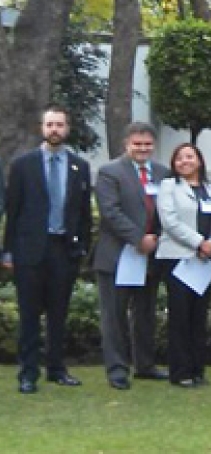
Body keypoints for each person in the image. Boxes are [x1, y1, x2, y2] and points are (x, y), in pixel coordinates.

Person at [2, 106, 92, 394]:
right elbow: (12, 212)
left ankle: (56, 368)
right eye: (50, 124)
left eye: (60, 125)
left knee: (58, 313)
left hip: (63, 249)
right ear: (42, 128)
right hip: (30, 250)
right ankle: (28, 374)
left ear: (67, 128)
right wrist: (7, 252)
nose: (55, 129)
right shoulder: (23, 165)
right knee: (29, 314)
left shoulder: (80, 166)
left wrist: (82, 247)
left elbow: (83, 213)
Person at [92, 121, 169, 390]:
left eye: (147, 144)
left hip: (150, 257)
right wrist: (138, 239)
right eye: (137, 144)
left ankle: (145, 365)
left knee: (145, 313)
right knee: (114, 316)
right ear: (127, 144)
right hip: (118, 255)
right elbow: (110, 212)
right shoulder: (109, 172)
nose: (142, 149)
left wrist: (156, 238)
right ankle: (117, 369)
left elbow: (167, 210)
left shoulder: (162, 172)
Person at [156, 143, 211, 388]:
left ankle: (198, 369)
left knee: (199, 315)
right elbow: (169, 222)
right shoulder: (168, 187)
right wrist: (198, 242)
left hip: (205, 260)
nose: (185, 162)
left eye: (189, 157)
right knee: (180, 315)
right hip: (178, 257)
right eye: (179, 158)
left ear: (200, 160)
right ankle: (180, 371)